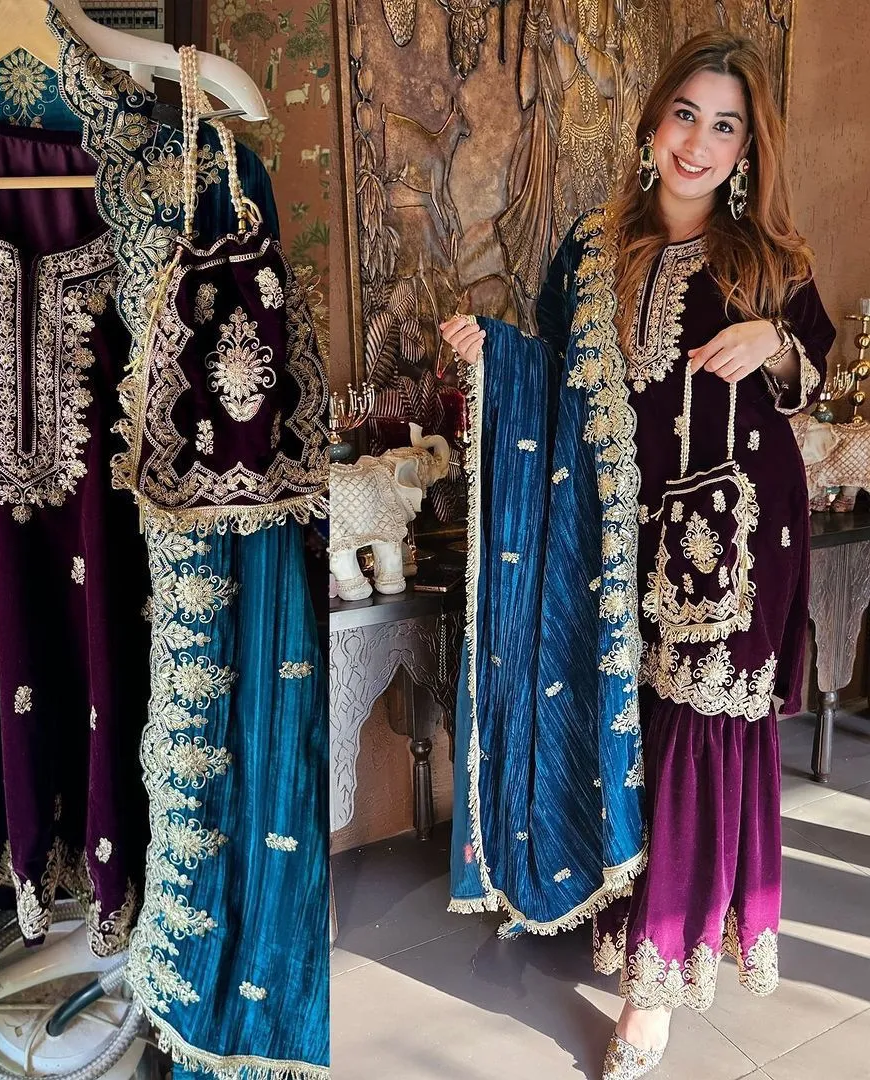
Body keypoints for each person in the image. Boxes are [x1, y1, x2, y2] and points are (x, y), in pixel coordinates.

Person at [440, 31, 835, 1080]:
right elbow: (558, 372)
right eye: (686, 116)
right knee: (634, 724)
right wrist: (499, 353)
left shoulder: (767, 258)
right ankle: (624, 909)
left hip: (733, 540)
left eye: (725, 126)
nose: (698, 143)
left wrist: (774, 342)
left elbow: (814, 366)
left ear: (747, 148)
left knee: (699, 736)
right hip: (617, 538)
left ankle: (651, 988)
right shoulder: (590, 246)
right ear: (654, 121)